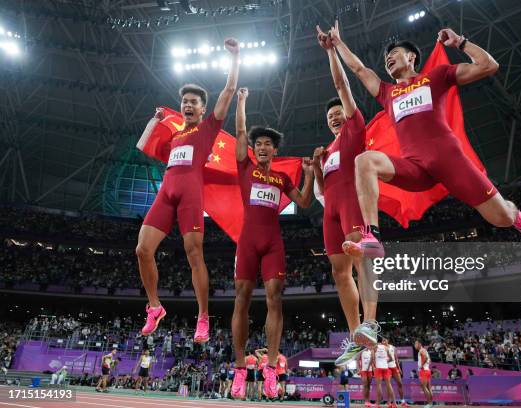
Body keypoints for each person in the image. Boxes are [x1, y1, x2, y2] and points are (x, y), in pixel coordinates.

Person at [324, 20, 521, 258]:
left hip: (450, 162)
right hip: (416, 168)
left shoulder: (436, 77)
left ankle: (514, 213)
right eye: (386, 59)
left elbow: (488, 65)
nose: (388, 60)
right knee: (364, 160)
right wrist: (337, 44)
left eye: (393, 54)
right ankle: (372, 237)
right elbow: (359, 69)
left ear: (411, 57)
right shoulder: (387, 93)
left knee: (502, 219)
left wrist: (460, 43)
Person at [135, 38, 241, 342]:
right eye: (185, 102)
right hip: (166, 194)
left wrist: (234, 58)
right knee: (142, 250)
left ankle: (203, 316)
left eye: (194, 102)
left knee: (194, 254)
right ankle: (154, 307)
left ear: (202, 108)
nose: (188, 105)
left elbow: (229, 91)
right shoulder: (175, 137)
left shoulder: (208, 130)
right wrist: (154, 123)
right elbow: (146, 146)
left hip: (190, 196)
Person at [229, 88, 314, 401]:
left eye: (268, 144)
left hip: (273, 242)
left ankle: (271, 368)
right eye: (258, 143)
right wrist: (241, 101)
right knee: (242, 298)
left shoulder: (281, 178)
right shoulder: (244, 167)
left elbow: (304, 202)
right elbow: (239, 130)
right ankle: (239, 367)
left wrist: (309, 175)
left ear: (275, 150)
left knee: (275, 298)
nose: (263, 147)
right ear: (253, 148)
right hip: (247, 241)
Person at [312, 26, 379, 365]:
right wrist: (316, 169)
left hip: (353, 202)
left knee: (361, 260)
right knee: (340, 274)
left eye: (337, 112)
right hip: (331, 211)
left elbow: (342, 85)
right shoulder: (328, 151)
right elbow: (322, 193)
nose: (334, 117)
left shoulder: (355, 128)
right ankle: (356, 336)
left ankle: (371, 322)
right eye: (329, 117)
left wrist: (330, 50)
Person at [383, 338, 408, 406]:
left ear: (388, 341)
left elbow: (396, 358)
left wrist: (399, 368)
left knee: (400, 383)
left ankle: (403, 401)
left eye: (385, 340)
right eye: (383, 341)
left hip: (394, 367)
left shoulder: (392, 347)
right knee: (388, 385)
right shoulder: (382, 348)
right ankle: (389, 402)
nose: (384, 341)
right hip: (387, 368)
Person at [372, 342, 396, 408]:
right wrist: (385, 361)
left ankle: (378, 404)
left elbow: (372, 359)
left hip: (378, 368)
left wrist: (374, 365)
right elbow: (391, 359)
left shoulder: (375, 347)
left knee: (379, 385)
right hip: (385, 368)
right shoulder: (386, 348)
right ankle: (394, 403)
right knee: (389, 385)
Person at [415, 340, 433, 408]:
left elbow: (425, 358)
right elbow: (430, 360)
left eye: (416, 344)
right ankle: (431, 404)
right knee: (429, 388)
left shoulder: (421, 350)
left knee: (424, 387)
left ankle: (429, 404)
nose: (415, 345)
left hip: (423, 371)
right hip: (427, 370)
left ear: (419, 344)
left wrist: (421, 366)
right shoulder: (425, 350)